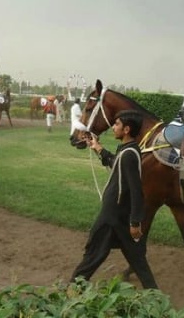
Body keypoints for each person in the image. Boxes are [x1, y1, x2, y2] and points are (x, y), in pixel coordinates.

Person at [70, 110, 158, 289]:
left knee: (94, 253)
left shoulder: (129, 154)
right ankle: (154, 294)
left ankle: (73, 288)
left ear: (126, 129)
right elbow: (115, 162)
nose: (113, 127)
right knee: (137, 260)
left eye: (117, 124)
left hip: (113, 216)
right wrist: (98, 148)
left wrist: (135, 222)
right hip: (120, 216)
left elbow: (136, 190)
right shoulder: (127, 150)